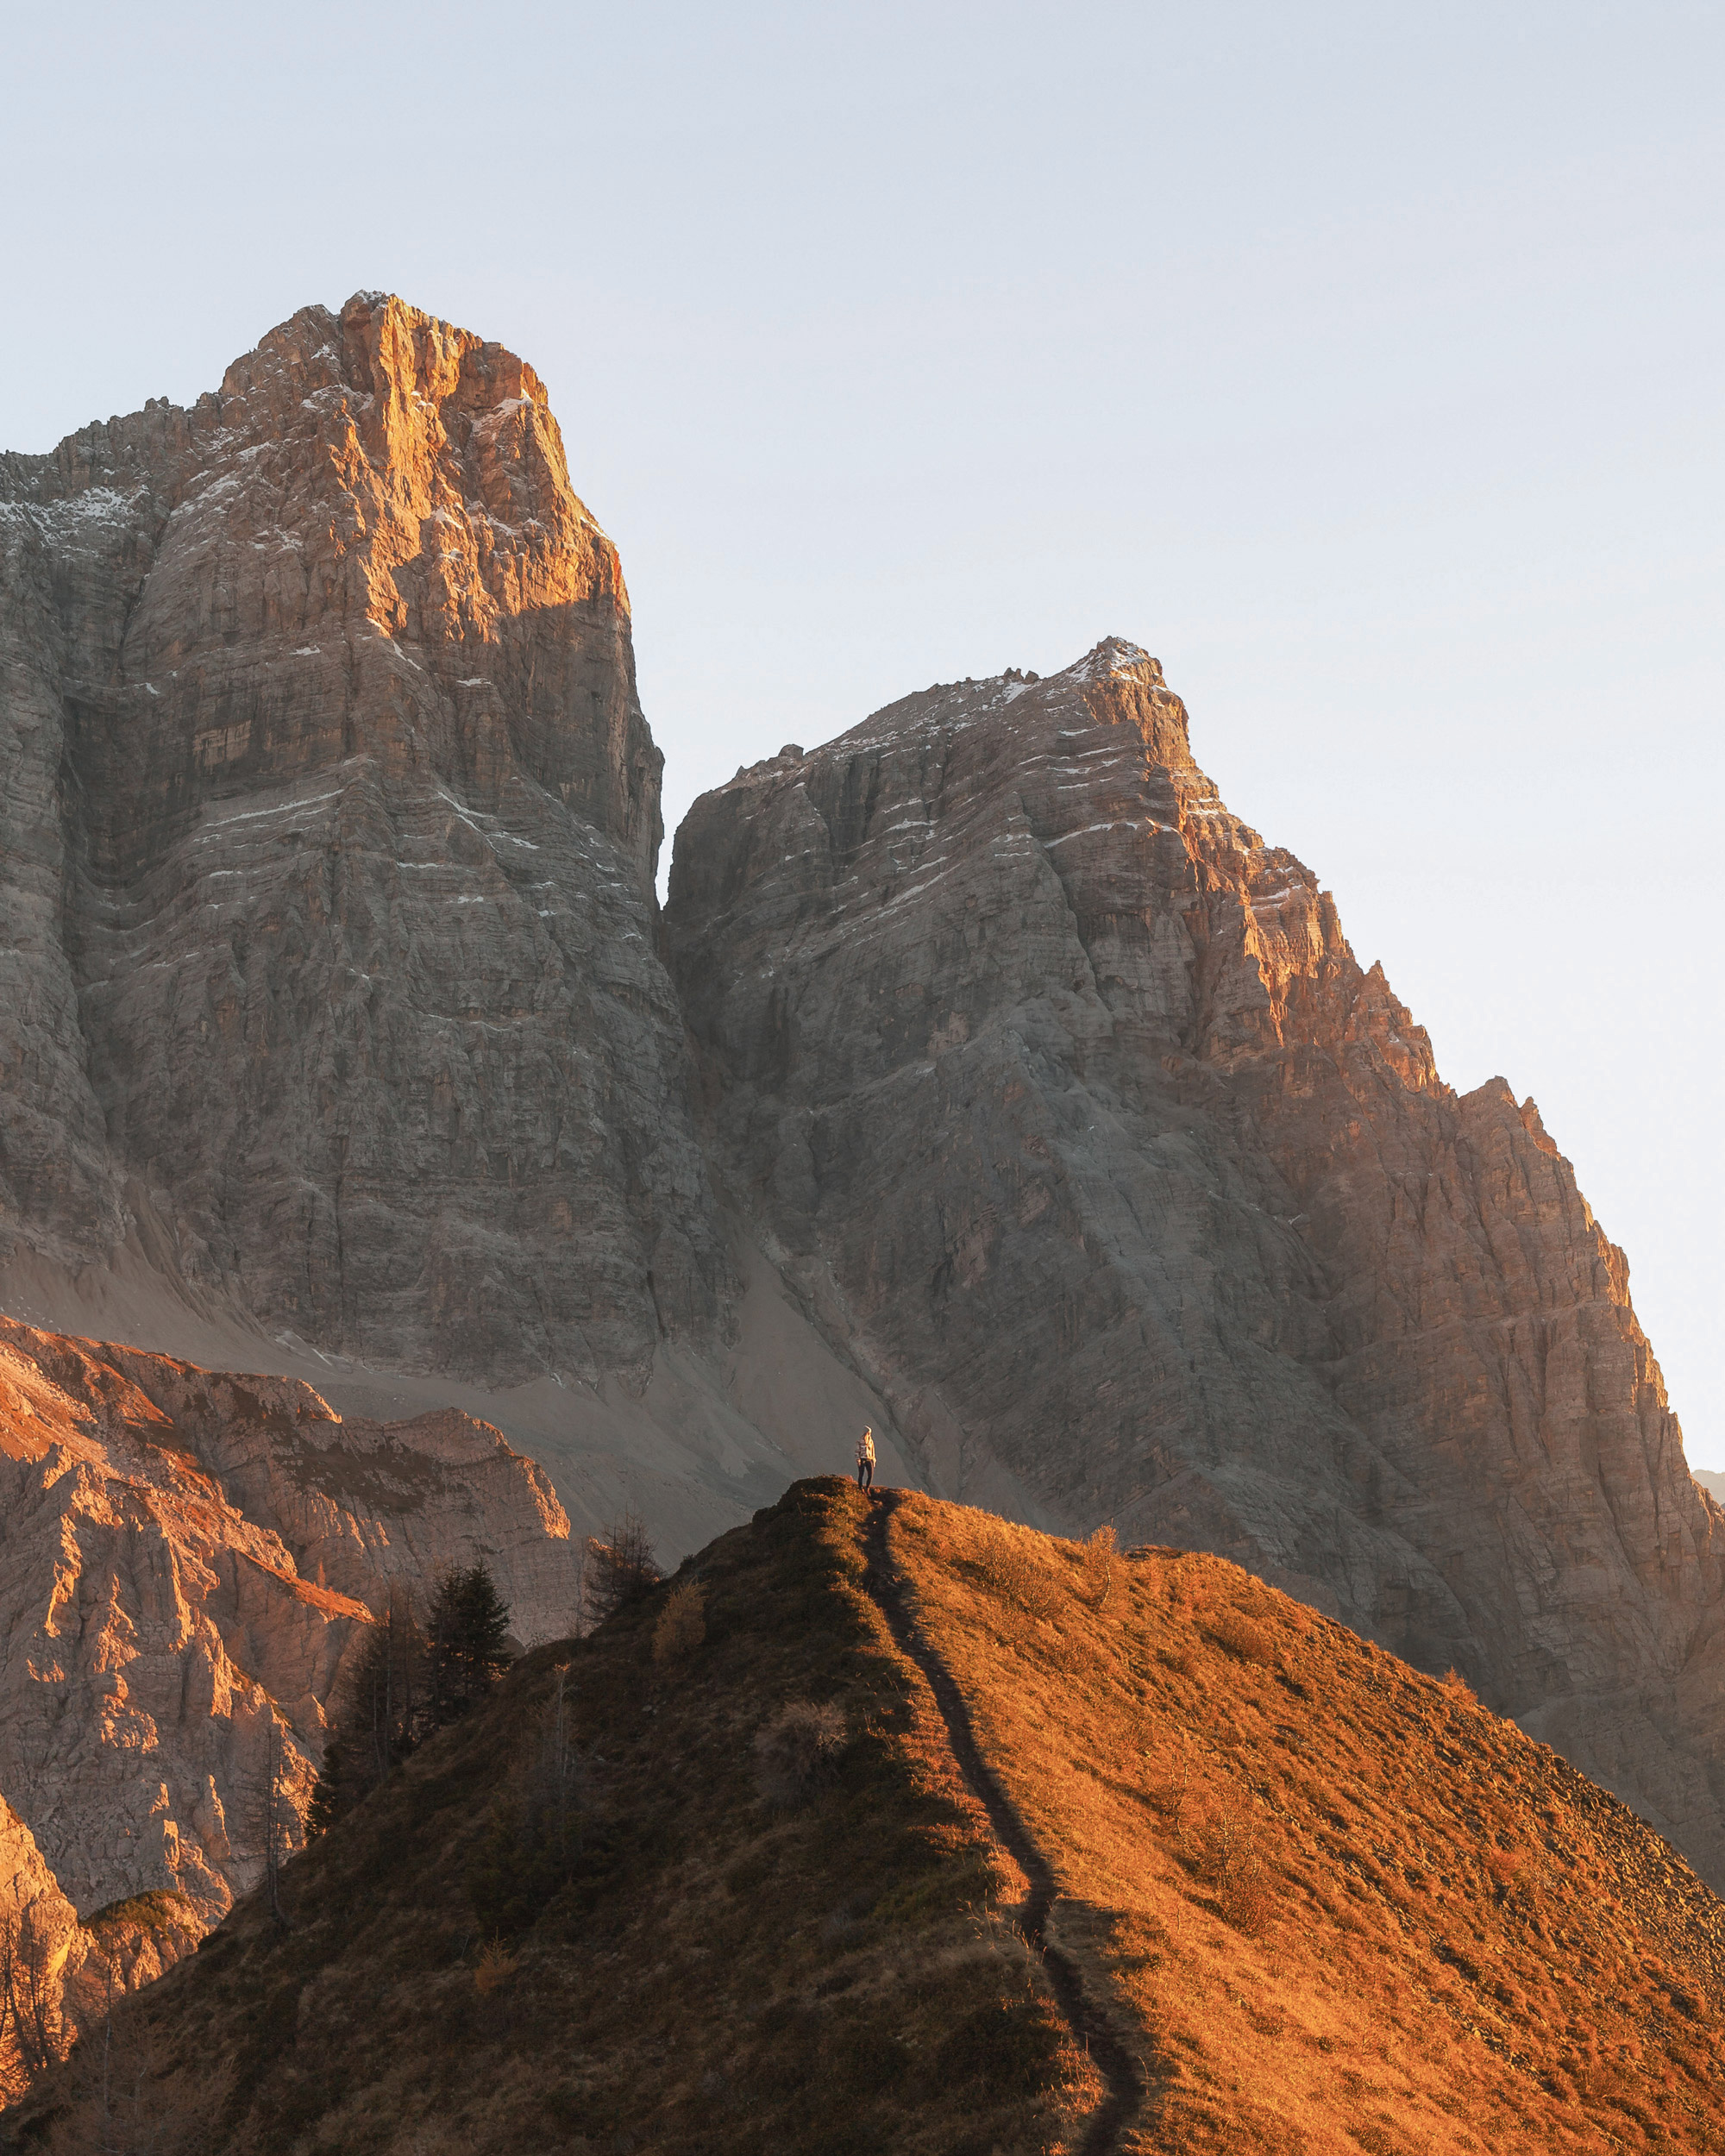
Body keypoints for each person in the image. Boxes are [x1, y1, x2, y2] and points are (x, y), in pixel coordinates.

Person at [856, 1426, 875, 1492]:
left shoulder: (871, 1441)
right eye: (868, 1433)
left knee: (870, 1474)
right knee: (861, 1474)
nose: (869, 1434)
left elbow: (873, 1451)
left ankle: (867, 1488)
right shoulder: (860, 1441)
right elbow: (857, 1451)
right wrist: (858, 1460)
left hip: (869, 1459)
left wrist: (873, 1459)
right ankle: (860, 1488)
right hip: (862, 1459)